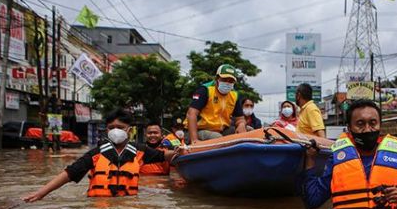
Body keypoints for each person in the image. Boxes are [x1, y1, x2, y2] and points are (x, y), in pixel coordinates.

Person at [301, 99, 397, 209]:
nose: (367, 129)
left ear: (380, 125)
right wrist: (310, 160)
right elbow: (313, 200)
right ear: (349, 128)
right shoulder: (336, 160)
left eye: (373, 123)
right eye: (360, 124)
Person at [22, 109, 180, 201]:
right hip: (98, 207)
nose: (116, 130)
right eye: (112, 127)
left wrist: (182, 151)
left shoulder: (140, 151)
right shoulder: (96, 153)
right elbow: (69, 173)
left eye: (120, 126)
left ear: (129, 130)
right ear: (107, 130)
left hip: (129, 205)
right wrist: (41, 193)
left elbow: (165, 156)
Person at [186, 64, 246, 144]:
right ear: (217, 78)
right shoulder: (205, 90)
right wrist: (194, 140)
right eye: (224, 79)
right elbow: (191, 114)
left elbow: (240, 119)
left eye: (231, 81)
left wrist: (241, 125)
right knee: (217, 138)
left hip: (222, 130)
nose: (227, 83)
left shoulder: (234, 95)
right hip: (200, 130)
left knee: (249, 130)